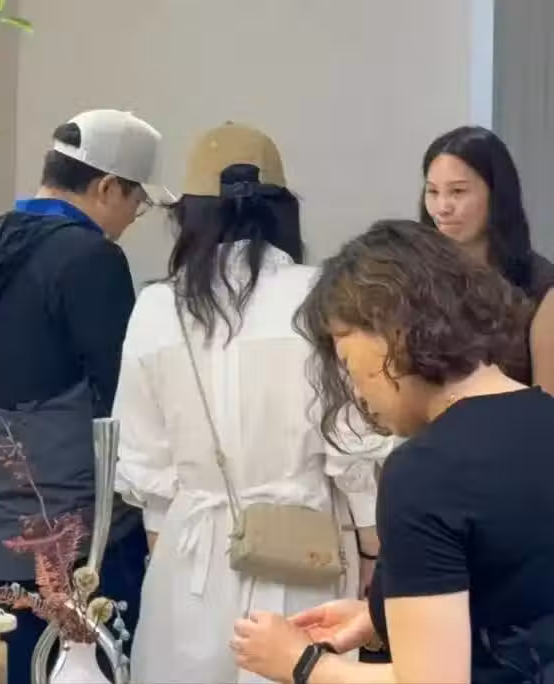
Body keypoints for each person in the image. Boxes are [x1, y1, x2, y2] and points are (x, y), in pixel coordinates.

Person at [113, 122, 396, 684]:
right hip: (307, 554)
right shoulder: (322, 298)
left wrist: (168, 559)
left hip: (191, 556)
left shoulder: (156, 308)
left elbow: (146, 467)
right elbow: (354, 450)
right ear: (281, 210)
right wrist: (371, 554)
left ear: (190, 215)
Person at [231, 220, 554, 684]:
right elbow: (512, 589)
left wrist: (301, 663)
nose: (355, 390)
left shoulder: (423, 473)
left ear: (391, 333)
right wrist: (383, 613)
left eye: (347, 363)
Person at [0, 109, 170, 682]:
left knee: (14, 658)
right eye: (137, 201)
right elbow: (123, 395)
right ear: (107, 187)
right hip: (83, 533)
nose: (133, 217)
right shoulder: (91, 259)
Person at [420, 125, 554, 393]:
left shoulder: (540, 287)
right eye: (433, 192)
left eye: (458, 192)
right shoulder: (417, 273)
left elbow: (546, 406)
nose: (442, 208)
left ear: (497, 195)